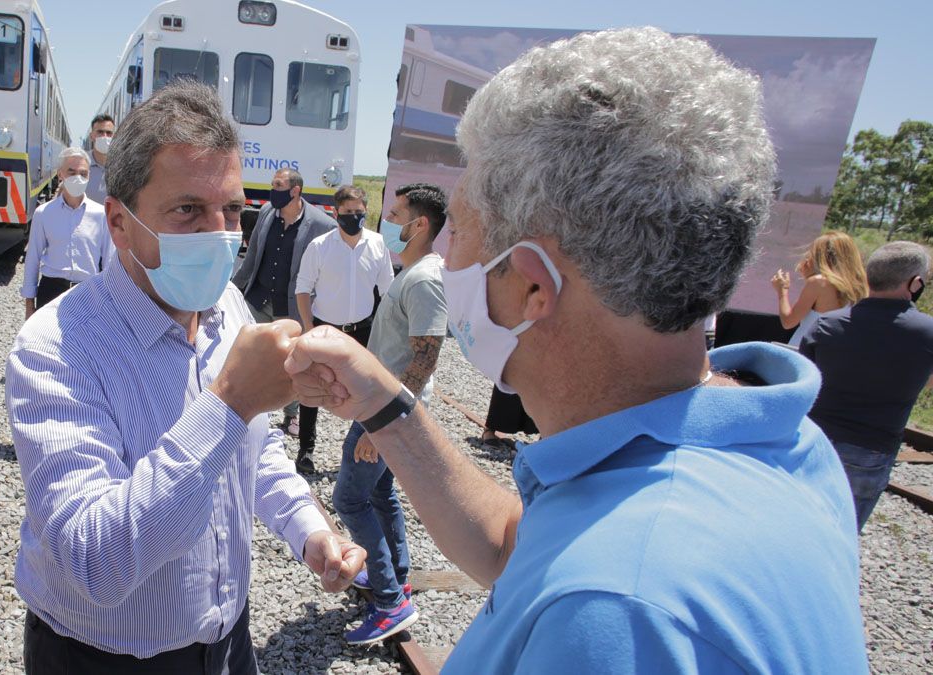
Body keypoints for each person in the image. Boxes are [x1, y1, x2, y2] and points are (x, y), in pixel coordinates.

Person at [286, 27, 868, 672]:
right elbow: (521, 547)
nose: (445, 253)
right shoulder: (781, 448)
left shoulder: (617, 609)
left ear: (534, 284)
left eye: (461, 227)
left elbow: (589, 578)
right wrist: (384, 403)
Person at [6, 80, 364, 673]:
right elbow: (93, 562)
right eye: (187, 210)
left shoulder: (227, 307)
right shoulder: (55, 346)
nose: (219, 232)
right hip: (103, 656)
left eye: (231, 209)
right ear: (119, 223)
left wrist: (308, 528)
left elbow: (255, 449)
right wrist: (228, 403)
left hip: (226, 635)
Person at [329, 182, 447, 645]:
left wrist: (382, 426)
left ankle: (390, 602)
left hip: (386, 410)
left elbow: (425, 357)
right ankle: (395, 577)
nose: (386, 223)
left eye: (395, 216)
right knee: (379, 494)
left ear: (420, 225)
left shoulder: (423, 280)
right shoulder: (413, 270)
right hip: (382, 405)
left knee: (349, 498)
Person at [800, 241, 933, 531]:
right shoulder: (927, 333)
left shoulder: (827, 324)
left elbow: (803, 382)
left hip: (814, 438)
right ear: (915, 283)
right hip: (871, 449)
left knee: (797, 521)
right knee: (843, 533)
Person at [292, 185, 393, 473]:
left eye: (359, 212)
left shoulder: (377, 245)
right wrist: (308, 328)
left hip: (363, 330)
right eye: (348, 212)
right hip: (325, 329)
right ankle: (306, 450)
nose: (354, 217)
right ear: (336, 213)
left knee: (366, 389)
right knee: (313, 389)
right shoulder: (320, 246)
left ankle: (360, 447)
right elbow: (303, 289)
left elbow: (387, 292)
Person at [232, 168, 336, 436]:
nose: (272, 189)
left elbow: (328, 266)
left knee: (292, 362)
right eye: (272, 184)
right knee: (246, 352)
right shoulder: (267, 212)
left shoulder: (321, 224)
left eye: (278, 185)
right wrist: (233, 288)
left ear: (295, 191)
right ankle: (245, 409)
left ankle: (291, 415)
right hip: (258, 296)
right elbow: (253, 255)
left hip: (290, 307)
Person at [20, 147, 113, 318]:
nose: (77, 178)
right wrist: (29, 304)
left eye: (83, 173)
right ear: (60, 174)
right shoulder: (44, 213)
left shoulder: (101, 215)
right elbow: (32, 258)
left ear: (89, 177)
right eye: (71, 172)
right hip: (51, 291)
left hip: (88, 292)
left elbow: (109, 262)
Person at [771, 231, 867, 346]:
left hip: (805, 348)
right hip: (834, 351)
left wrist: (782, 291)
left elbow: (788, 322)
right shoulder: (861, 287)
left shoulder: (819, 282)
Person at [84, 114, 115, 204]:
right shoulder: (81, 164)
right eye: (100, 132)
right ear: (91, 136)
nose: (104, 136)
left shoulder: (122, 166)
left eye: (109, 133)